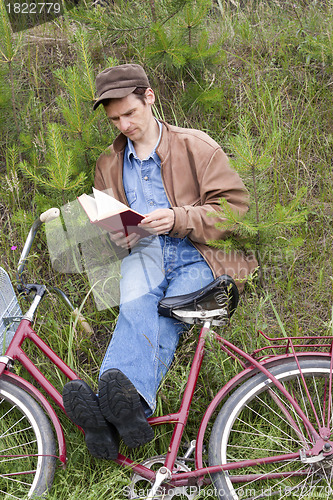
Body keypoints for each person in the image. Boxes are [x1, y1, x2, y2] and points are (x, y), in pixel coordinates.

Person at [62, 63, 257, 460]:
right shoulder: (107, 164)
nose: (124, 124)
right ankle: (123, 412)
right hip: (145, 255)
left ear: (149, 97)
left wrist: (179, 217)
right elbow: (114, 227)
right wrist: (117, 235)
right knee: (135, 311)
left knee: (169, 312)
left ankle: (111, 414)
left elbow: (237, 210)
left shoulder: (196, 147)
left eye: (130, 113)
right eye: (115, 119)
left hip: (202, 255)